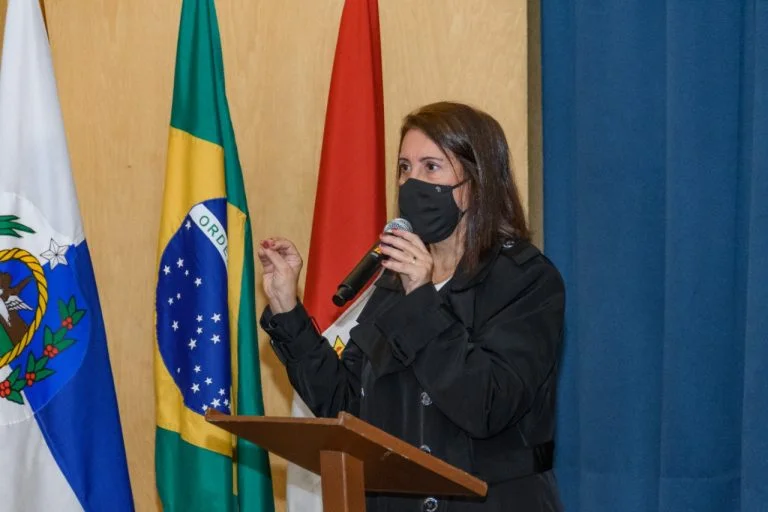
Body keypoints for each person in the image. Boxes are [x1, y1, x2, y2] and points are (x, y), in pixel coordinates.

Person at [258, 102, 565, 511]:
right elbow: (346, 405)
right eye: (404, 168)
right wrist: (287, 310)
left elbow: (487, 406)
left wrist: (423, 297)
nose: (411, 182)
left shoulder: (527, 280)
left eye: (431, 167)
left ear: (477, 182)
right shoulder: (393, 282)